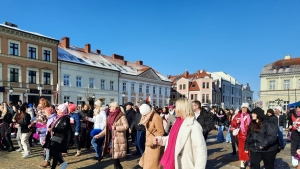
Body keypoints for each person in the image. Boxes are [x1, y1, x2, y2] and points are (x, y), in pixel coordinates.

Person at [153, 98, 207, 169]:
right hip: (172, 161)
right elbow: (171, 139)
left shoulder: (194, 125)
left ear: (182, 108)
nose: (174, 109)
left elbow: (201, 150)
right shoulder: (177, 122)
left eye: (176, 107)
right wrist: (160, 140)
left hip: (185, 164)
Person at [95, 102, 128, 169]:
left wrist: (116, 128)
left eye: (110, 106)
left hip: (118, 138)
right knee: (113, 154)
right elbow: (106, 128)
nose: (109, 108)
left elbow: (126, 126)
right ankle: (119, 166)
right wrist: (99, 135)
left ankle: (117, 167)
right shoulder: (109, 116)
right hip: (110, 137)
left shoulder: (121, 116)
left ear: (115, 107)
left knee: (114, 154)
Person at [138, 104, 164, 169]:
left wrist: (152, 140)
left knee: (153, 165)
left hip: (155, 145)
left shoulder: (156, 117)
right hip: (149, 145)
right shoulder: (148, 117)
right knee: (147, 164)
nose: (143, 116)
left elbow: (161, 132)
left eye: (144, 115)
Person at [45, 103, 70, 169]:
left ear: (62, 110)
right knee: (53, 152)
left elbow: (63, 129)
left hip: (60, 137)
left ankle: (54, 167)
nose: (57, 110)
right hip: (55, 136)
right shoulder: (59, 117)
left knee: (55, 152)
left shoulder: (65, 118)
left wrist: (53, 129)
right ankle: (63, 163)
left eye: (58, 109)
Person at [231, 103, 251, 169]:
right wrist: (236, 122)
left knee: (249, 149)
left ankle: (248, 160)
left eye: (245, 108)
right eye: (243, 108)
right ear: (241, 108)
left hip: (249, 135)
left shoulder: (249, 115)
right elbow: (232, 124)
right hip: (241, 135)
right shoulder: (238, 115)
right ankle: (242, 162)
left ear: (247, 109)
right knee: (241, 149)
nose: (244, 109)